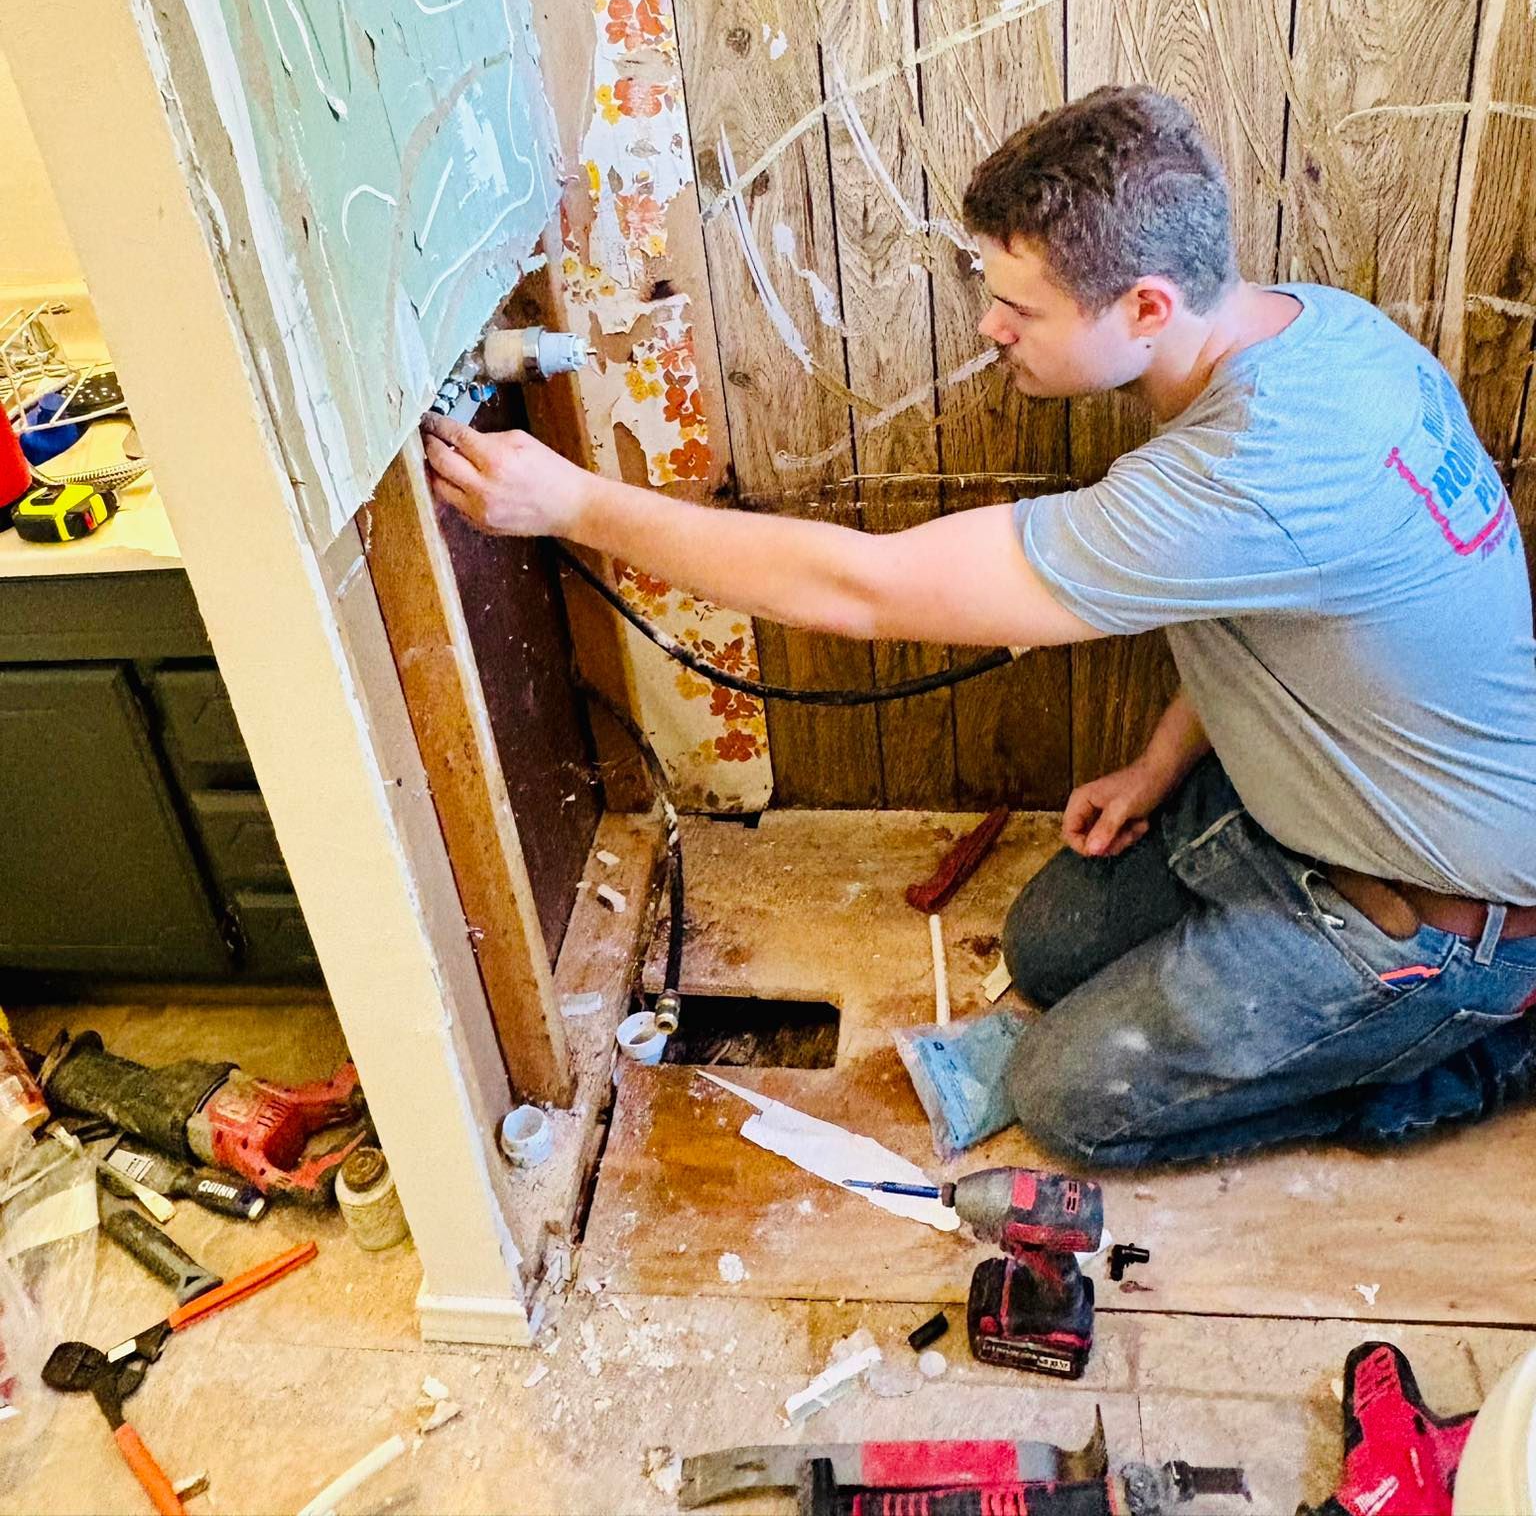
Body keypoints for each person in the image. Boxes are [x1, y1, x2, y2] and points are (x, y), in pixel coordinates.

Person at [423, 84, 1536, 1167]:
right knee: (1047, 945)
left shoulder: (1252, 471)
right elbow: (1292, 604)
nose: (992, 329)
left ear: (1148, 306)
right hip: (1320, 807)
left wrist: (574, 504)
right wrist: (1159, 761)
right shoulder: (1312, 333)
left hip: (1434, 920)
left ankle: (1479, 1055)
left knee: (1068, 1102)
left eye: (1025, 306)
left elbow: (861, 591)